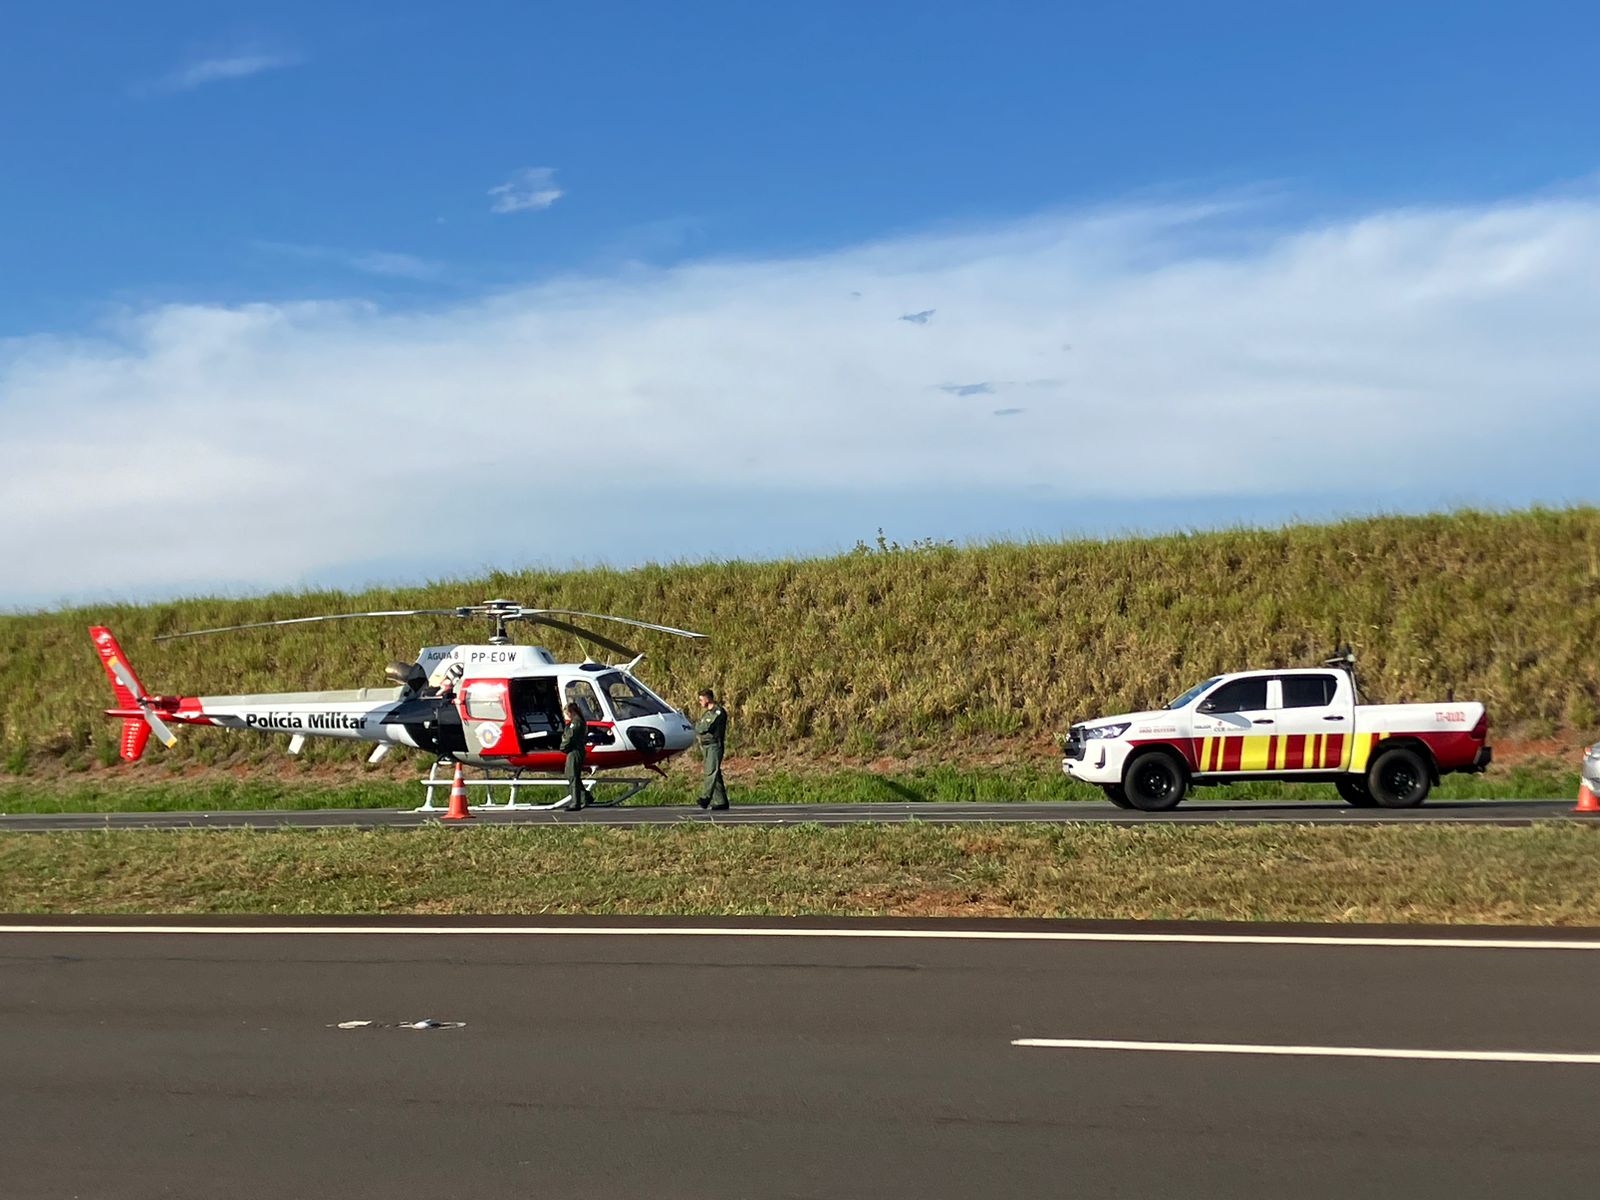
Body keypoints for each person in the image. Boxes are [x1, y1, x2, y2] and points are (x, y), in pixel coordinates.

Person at [694, 688, 729, 810]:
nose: (700, 702)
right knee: (715, 773)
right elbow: (698, 726)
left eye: (701, 699)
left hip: (714, 745)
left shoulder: (717, 712)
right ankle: (721, 801)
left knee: (710, 772)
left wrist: (699, 727)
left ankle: (706, 797)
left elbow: (704, 726)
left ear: (708, 698)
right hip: (707, 745)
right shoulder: (707, 713)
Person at [559, 701, 593, 810]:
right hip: (576, 750)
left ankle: (575, 802)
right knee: (574, 776)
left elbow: (570, 738)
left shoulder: (576, 723)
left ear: (571, 712)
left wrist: (562, 747)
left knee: (572, 776)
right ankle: (585, 797)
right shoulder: (578, 722)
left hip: (574, 751)